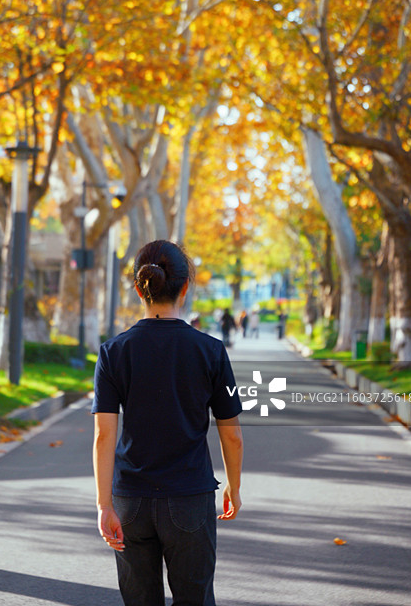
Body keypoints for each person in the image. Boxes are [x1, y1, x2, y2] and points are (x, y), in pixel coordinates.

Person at [92, 239, 243, 606]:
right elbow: (232, 435)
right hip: (190, 497)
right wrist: (234, 487)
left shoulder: (113, 351)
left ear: (139, 288)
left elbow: (103, 436)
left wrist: (104, 505)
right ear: (185, 287)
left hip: (130, 500)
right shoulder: (210, 350)